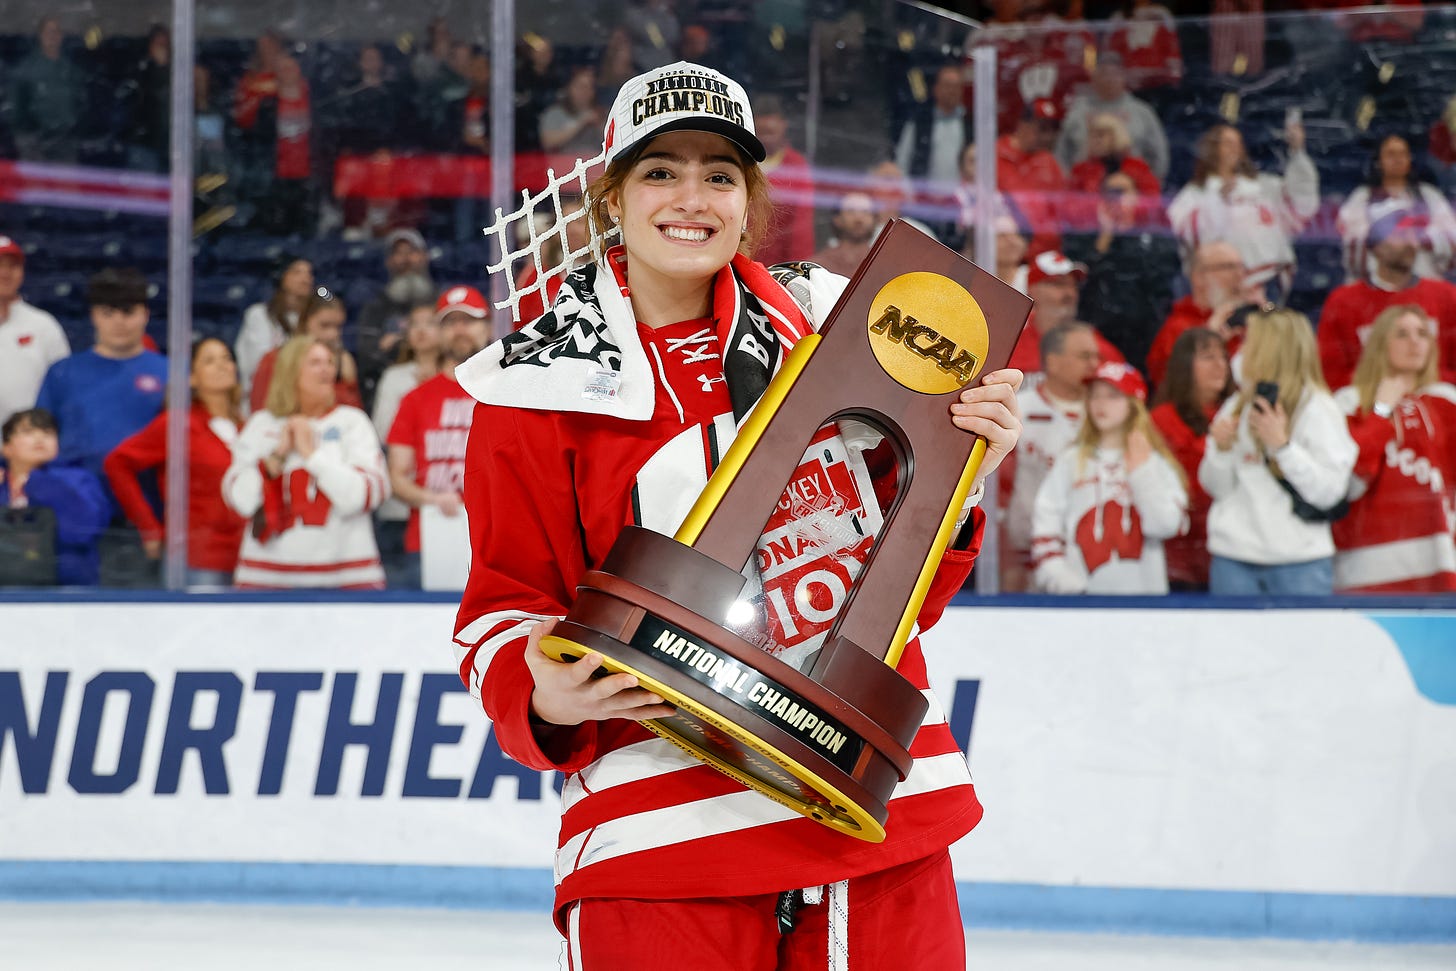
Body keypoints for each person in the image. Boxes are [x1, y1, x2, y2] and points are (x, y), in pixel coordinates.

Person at [449, 60, 1024, 967]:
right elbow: (502, 602)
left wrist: (963, 473)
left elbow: (899, 596)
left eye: (720, 174)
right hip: (657, 836)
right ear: (612, 198)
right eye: (660, 171)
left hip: (867, 820)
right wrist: (539, 687)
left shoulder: (843, 333)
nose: (692, 196)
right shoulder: (530, 389)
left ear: (750, 199)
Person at [1199, 307, 1357, 596]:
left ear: (1271, 348)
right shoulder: (1236, 404)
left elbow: (1329, 492)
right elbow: (1217, 489)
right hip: (1233, 557)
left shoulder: (1318, 408)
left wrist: (1283, 448)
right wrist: (1220, 452)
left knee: (1301, 644)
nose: (1241, 350)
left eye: (1250, 342)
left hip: (1299, 562)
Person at [222, 334, 388, 590]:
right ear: (291, 371)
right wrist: (276, 456)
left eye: (330, 362)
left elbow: (364, 495)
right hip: (265, 579)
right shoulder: (261, 425)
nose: (327, 369)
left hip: (347, 579)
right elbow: (241, 500)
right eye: (315, 363)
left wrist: (311, 455)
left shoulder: (353, 422)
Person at [1030, 361, 1187, 594]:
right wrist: (1064, 582)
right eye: (1094, 396)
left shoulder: (1155, 463)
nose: (1100, 404)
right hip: (1079, 603)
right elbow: (1045, 526)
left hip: (1145, 605)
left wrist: (1141, 472)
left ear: (1134, 404)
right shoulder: (1070, 460)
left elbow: (1165, 525)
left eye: (1113, 395)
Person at [1330, 305, 1456, 593]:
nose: (1415, 342)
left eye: (1423, 333)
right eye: (1402, 334)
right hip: (1364, 565)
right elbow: (1349, 482)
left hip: (1440, 560)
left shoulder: (1447, 401)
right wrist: (1381, 410)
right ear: (1379, 343)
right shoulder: (1349, 402)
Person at [103, 338, 247, 586]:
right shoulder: (178, 423)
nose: (223, 365)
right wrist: (148, 527)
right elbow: (118, 463)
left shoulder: (247, 428)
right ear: (192, 378)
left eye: (227, 358)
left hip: (246, 557)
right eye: (210, 361)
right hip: (198, 559)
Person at [385, 286, 490, 587]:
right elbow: (397, 476)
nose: (460, 330)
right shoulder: (415, 400)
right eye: (450, 322)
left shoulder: (506, 395)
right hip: (429, 536)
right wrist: (433, 499)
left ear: (486, 325)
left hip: (493, 541)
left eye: (468, 320)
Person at [35, 268, 166, 492]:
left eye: (128, 312)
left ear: (145, 314)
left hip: (149, 500)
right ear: (93, 315)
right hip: (77, 499)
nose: (119, 321)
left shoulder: (171, 373)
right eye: (108, 312)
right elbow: (40, 435)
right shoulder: (62, 373)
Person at [997, 321, 1101, 593]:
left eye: (1096, 356)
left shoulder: (1108, 412)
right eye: (1084, 356)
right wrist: (1007, 557)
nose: (1094, 364)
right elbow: (999, 487)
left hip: (1094, 551)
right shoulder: (1020, 409)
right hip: (1024, 549)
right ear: (1053, 362)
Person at [1168, 122, 1319, 299]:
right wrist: (1217, 201)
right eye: (1228, 143)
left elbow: (1301, 203)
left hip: (1268, 284)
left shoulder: (1262, 185)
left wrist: (1297, 152)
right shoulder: (1194, 194)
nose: (1235, 149)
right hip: (1225, 291)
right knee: (1233, 325)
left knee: (1268, 321)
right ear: (1211, 149)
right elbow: (1189, 236)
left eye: (1238, 144)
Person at [1317, 212, 1456, 390]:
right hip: (1366, 406)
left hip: (1438, 407)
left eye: (1415, 234)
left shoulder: (1446, 296)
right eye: (1401, 234)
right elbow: (1331, 374)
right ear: (1376, 246)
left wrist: (1423, 383)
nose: (1412, 243)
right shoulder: (1344, 301)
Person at [1064, 170, 1179, 373]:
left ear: (1137, 197)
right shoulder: (1086, 237)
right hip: (1100, 333)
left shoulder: (1154, 236)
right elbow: (1079, 280)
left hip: (1144, 334)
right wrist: (1105, 236)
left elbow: (1163, 280)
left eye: (1122, 191)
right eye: (1110, 193)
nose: (1116, 199)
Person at [1150, 329, 1235, 591]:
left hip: (1231, 548)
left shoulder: (1237, 413)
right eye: (1208, 357)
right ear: (1185, 365)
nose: (1220, 365)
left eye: (1223, 356)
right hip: (1179, 556)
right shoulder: (1163, 419)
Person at [0, 408, 109, 585]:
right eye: (28, 432)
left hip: (66, 586)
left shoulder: (79, 480)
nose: (40, 438)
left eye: (48, 433)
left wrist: (39, 482)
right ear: (6, 447)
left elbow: (82, 532)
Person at [1337, 134, 1456, 283]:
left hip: (1424, 283)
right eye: (1391, 154)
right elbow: (1353, 240)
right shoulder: (1362, 197)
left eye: (1403, 154)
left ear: (1410, 160)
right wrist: (1393, 238)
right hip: (1374, 287)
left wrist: (1417, 237)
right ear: (1378, 161)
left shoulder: (1429, 195)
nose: (1397, 159)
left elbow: (1451, 238)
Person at [1145, 240, 1259, 391]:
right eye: (1229, 267)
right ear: (1199, 277)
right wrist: (1208, 337)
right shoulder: (1177, 329)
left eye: (1242, 267)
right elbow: (1170, 385)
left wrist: (1267, 312)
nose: (1239, 275)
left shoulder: (1251, 320)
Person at [1004, 251, 1125, 378]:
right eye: (1058, 284)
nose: (1070, 293)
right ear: (1032, 289)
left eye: (1073, 285)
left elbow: (1125, 386)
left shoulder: (1093, 345)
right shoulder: (1011, 341)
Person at [1055, 53, 1169, 184]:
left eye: (1115, 73)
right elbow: (1061, 155)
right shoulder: (1077, 112)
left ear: (1124, 77)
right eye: (1104, 73)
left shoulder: (1142, 112)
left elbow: (1159, 157)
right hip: (1084, 192)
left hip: (1131, 192)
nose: (1109, 79)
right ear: (1094, 77)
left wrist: (1146, 189)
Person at [249, 287, 362, 416]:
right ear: (304, 322)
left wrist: (347, 381)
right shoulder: (274, 359)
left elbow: (353, 416)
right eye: (324, 325)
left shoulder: (344, 362)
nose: (333, 334)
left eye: (338, 327)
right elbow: (260, 410)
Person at [356, 229, 436, 404]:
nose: (406, 259)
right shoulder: (375, 307)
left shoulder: (439, 301)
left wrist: (396, 342)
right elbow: (367, 354)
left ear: (425, 256)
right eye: (398, 253)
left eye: (412, 252)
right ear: (388, 261)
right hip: (387, 386)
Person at [0, 235, 70, 426]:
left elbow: (65, 389)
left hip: (29, 445)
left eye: (12, 266)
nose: (5, 273)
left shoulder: (43, 325)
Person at [235, 256, 314, 401]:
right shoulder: (259, 315)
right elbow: (258, 362)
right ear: (281, 277)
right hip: (263, 395)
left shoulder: (313, 319)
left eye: (309, 273)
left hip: (300, 397)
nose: (305, 278)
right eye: (297, 272)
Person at [996, 99, 1068, 256]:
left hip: (1046, 255)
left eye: (1052, 130)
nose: (1048, 137)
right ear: (1023, 124)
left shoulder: (1048, 161)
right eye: (1042, 129)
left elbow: (1062, 210)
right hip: (1007, 254)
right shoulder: (995, 154)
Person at [752, 94, 817, 269]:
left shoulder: (797, 167)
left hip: (780, 271)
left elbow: (801, 230)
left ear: (783, 125)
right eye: (762, 131)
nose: (767, 136)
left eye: (771, 131)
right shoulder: (741, 163)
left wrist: (795, 271)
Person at [1064, 113, 1161, 228]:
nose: (1095, 141)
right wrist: (1102, 211)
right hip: (1091, 233)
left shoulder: (1137, 167)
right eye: (1092, 136)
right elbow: (1069, 207)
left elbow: (1153, 203)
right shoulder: (1080, 171)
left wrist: (1127, 210)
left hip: (1133, 232)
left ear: (1117, 136)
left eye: (1101, 135)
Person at [11, 17, 87, 163]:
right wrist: (27, 141)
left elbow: (80, 103)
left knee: (64, 184)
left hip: (65, 142)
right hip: (35, 144)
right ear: (40, 35)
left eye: (56, 31)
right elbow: (17, 112)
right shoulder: (26, 70)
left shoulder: (71, 70)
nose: (52, 36)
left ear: (61, 36)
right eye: (48, 32)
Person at [894, 62, 971, 189]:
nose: (952, 91)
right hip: (924, 200)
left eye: (957, 86)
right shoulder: (920, 123)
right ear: (936, 88)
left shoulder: (969, 125)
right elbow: (902, 163)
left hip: (959, 201)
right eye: (948, 85)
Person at [1105, 1, 1184, 92]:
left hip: (1159, 86)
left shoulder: (1161, 19)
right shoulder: (1119, 23)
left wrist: (1166, 77)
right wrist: (1123, 77)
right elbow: (1110, 58)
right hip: (1127, 87)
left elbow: (1173, 58)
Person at [539, 65, 606, 158]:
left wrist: (601, 125)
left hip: (596, 167)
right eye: (581, 86)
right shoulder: (554, 114)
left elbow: (615, 143)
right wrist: (581, 122)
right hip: (564, 168)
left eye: (590, 87)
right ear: (569, 88)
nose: (585, 91)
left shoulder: (603, 113)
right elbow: (548, 143)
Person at [808, 191, 878, 278]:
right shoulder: (817, 266)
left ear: (875, 220)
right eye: (851, 211)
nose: (859, 218)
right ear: (837, 219)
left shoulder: (882, 264)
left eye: (866, 212)